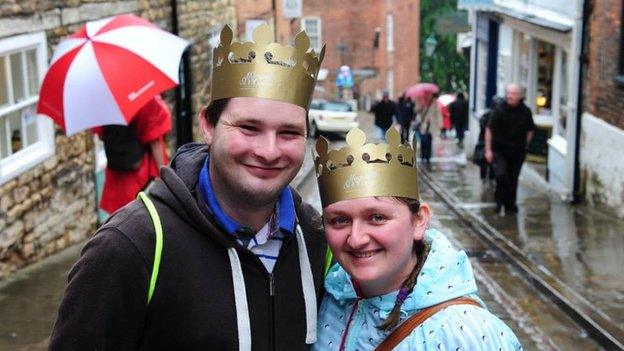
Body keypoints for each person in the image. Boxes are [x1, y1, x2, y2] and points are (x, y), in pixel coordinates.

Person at [49, 24, 327, 350]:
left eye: (289, 133)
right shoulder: (130, 247)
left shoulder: (316, 238)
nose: (268, 151)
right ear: (207, 125)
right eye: (249, 127)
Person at [313, 128, 522, 350]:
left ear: (419, 221)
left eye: (377, 217)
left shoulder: (466, 335)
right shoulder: (331, 297)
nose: (356, 239)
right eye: (339, 220)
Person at [96, 94, 171, 214]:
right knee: (146, 216)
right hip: (141, 175)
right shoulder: (145, 97)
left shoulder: (105, 100)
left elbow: (101, 135)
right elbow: (155, 140)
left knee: (120, 220)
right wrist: (164, 176)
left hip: (116, 175)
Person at [485, 83, 535, 214]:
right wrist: (488, 150)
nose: (510, 96)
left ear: (520, 96)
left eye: (513, 94)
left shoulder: (525, 111)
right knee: (501, 175)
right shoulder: (499, 110)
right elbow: (489, 129)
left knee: (513, 178)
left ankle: (510, 205)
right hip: (500, 150)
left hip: (517, 151)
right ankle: (499, 201)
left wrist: (525, 145)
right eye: (508, 93)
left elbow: (530, 130)